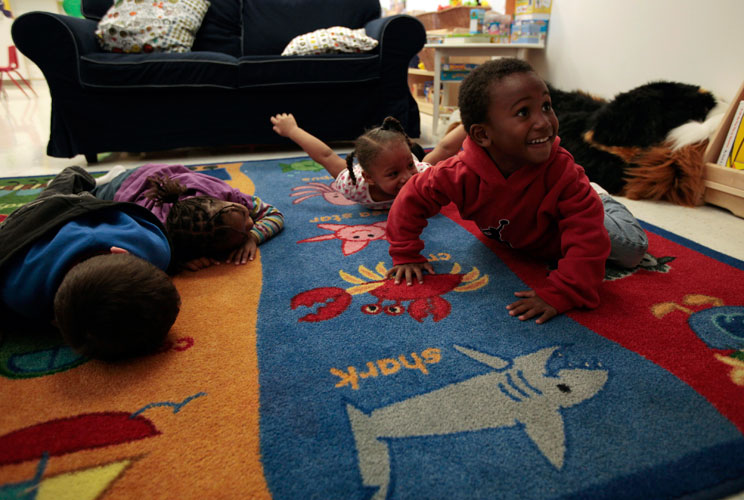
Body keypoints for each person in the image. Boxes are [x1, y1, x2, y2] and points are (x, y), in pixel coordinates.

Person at [385, 58, 648, 325]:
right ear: (482, 135)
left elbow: (587, 237)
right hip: (529, 232)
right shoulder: (457, 172)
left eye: (546, 106)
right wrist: (405, 253)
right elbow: (412, 197)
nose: (544, 122)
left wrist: (565, 291)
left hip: (582, 209)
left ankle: (602, 198)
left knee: (631, 251)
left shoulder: (562, 172)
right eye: (524, 112)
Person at [0, 166, 180, 361]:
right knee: (71, 183)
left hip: (35, 221)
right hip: (67, 208)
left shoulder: (19, 289)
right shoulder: (153, 246)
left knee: (68, 183)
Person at [93, 163, 285, 271]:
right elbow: (140, 262)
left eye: (244, 214)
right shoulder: (157, 234)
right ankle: (108, 178)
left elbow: (273, 214)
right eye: (244, 232)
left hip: (156, 171)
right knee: (93, 196)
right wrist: (178, 262)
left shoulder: (226, 195)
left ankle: (119, 172)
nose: (251, 222)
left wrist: (252, 236)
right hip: (121, 190)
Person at [270, 113, 467, 210]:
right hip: (386, 159)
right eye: (393, 174)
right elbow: (326, 156)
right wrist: (291, 130)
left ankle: (411, 152)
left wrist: (472, 117)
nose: (407, 178)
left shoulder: (421, 174)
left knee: (421, 156)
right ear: (369, 178)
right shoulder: (353, 185)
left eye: (408, 167)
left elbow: (445, 149)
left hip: (414, 153)